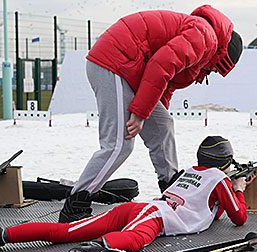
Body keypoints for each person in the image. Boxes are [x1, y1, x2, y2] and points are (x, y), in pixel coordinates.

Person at [59, 5, 244, 223]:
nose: (212, 72)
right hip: (115, 63)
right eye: (217, 69)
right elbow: (161, 65)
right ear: (222, 55)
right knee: (119, 145)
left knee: (163, 124)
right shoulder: (205, 37)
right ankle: (76, 204)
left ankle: (171, 187)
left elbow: (166, 83)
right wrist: (140, 112)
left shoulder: (204, 37)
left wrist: (150, 113)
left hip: (129, 67)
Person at [0, 136, 254, 252]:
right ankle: (102, 247)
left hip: (138, 208)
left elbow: (208, 209)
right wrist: (238, 187)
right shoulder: (220, 179)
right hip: (155, 215)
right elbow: (238, 217)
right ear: (226, 162)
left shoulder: (190, 172)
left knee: (65, 231)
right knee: (134, 240)